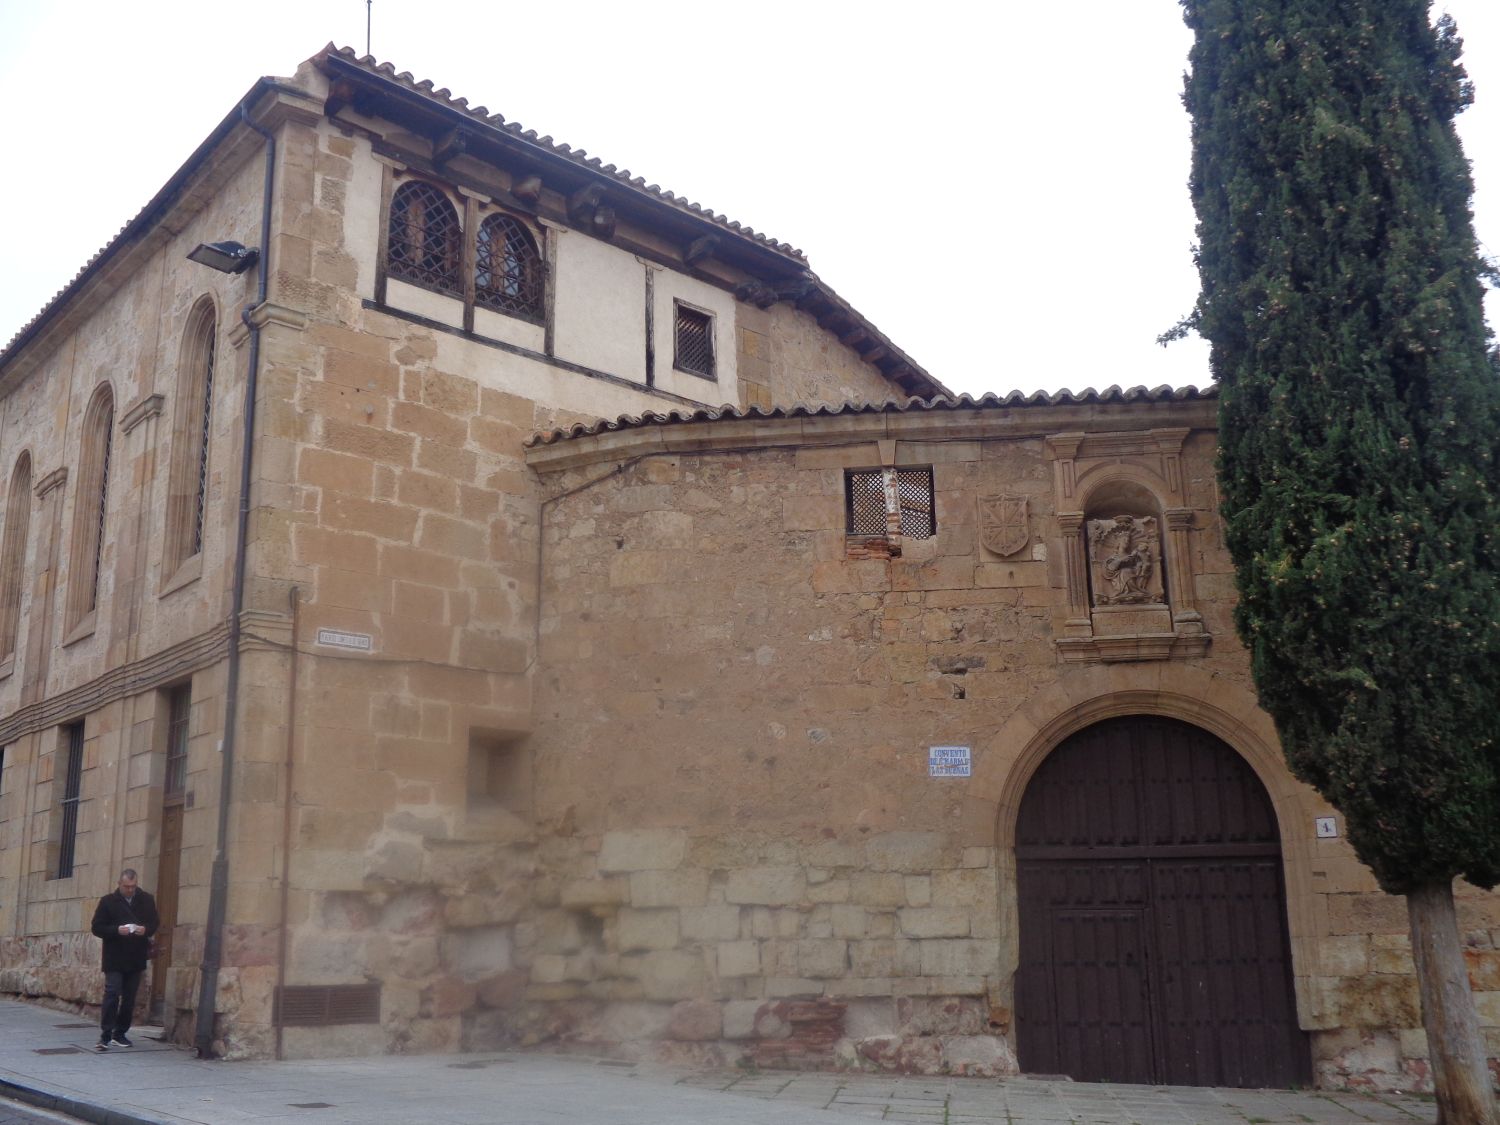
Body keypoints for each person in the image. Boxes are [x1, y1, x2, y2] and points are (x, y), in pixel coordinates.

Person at [89, 868, 158, 1051]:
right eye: (126, 886)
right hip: (114, 956)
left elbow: (154, 923)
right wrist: (117, 930)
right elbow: (97, 927)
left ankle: (120, 1033)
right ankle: (105, 1034)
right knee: (112, 993)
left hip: (136, 956)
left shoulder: (146, 899)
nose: (130, 890)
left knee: (129, 998)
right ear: (119, 884)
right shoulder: (108, 902)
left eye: (133, 887)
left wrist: (146, 929)